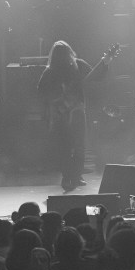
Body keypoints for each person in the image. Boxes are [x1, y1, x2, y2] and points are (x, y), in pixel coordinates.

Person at [38, 40, 115, 192]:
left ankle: (72, 176)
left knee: (69, 145)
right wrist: (58, 98)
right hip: (68, 112)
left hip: (70, 112)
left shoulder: (67, 67)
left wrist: (105, 62)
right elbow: (42, 90)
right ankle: (72, 176)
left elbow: (95, 75)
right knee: (77, 145)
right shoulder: (57, 70)